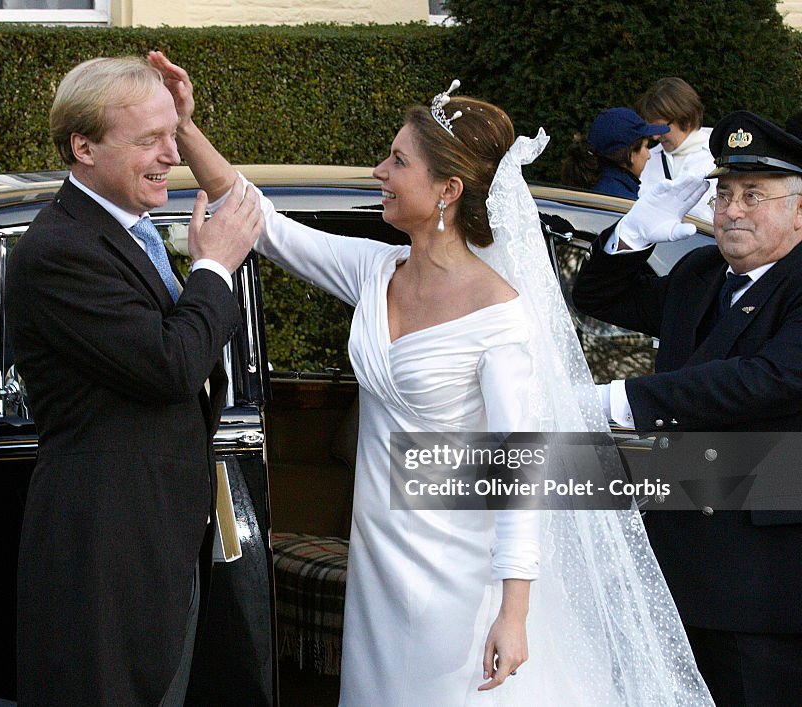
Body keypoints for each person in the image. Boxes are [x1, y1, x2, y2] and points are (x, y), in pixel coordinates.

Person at [150, 52, 712, 705]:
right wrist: (186, 129)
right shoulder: (375, 269)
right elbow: (261, 222)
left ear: (447, 190)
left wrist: (514, 612)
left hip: (460, 583)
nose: (378, 172)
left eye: (396, 162)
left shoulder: (499, 316)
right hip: (382, 567)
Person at [4, 56, 262, 705]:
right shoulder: (62, 249)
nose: (170, 156)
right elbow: (172, 364)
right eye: (149, 139)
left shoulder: (127, 233)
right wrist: (214, 269)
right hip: (105, 554)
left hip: (160, 540)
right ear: (82, 146)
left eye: (170, 136)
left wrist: (190, 124)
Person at [573, 111, 802, 705]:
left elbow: (772, 377)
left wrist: (623, 399)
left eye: (754, 195)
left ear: (801, 208)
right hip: (673, 559)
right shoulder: (704, 271)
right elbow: (600, 295)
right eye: (724, 194)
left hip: (759, 578)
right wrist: (636, 229)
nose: (731, 211)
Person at [636, 77, 715, 220]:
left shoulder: (718, 157)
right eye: (651, 128)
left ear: (685, 117)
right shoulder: (646, 161)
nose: (655, 137)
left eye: (660, 127)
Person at [560, 107, 669, 199]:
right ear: (630, 154)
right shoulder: (623, 204)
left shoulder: (591, 188)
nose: (648, 155)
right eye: (645, 147)